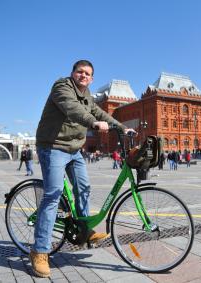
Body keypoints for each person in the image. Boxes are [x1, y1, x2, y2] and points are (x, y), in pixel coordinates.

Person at [30, 60, 135, 278]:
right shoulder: (62, 87)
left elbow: (100, 113)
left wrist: (123, 128)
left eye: (87, 74)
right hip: (53, 146)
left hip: (74, 149)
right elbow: (73, 109)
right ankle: (40, 251)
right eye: (80, 72)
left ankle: (85, 231)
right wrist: (93, 124)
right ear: (73, 73)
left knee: (84, 188)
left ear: (92, 78)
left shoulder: (88, 95)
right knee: (53, 195)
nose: (83, 76)